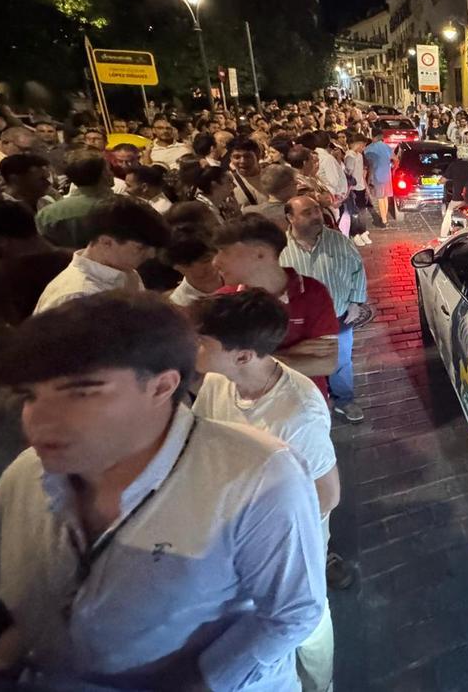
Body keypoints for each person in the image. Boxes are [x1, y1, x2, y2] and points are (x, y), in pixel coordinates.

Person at [0, 292, 326, 689]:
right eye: (30, 396)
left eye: (82, 391)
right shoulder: (21, 480)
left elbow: (294, 610)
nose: (40, 419)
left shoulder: (258, 478)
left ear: (162, 386)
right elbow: (31, 611)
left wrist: (201, 681)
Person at [191, 291, 340, 691]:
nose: (195, 348)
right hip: (231, 531)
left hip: (285, 536)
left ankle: (320, 684)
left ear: (242, 356)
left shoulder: (297, 412)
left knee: (305, 619)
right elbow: (200, 435)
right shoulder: (218, 382)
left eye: (204, 343)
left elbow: (327, 493)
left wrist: (274, 538)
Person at [211, 215, 341, 406]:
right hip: (249, 411)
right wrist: (292, 353)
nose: (215, 261)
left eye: (224, 251)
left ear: (260, 254)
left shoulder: (313, 292)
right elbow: (218, 368)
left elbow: (326, 363)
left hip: (304, 407)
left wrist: (247, 362)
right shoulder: (223, 300)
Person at [279, 196, 368, 424]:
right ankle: (310, 404)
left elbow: (358, 270)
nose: (316, 216)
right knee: (302, 362)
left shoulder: (339, 241)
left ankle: (344, 400)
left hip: (338, 315)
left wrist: (355, 302)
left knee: (341, 361)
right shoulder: (280, 248)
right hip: (297, 323)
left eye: (317, 210)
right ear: (290, 217)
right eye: (307, 213)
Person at [34, 197, 169, 313]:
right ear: (106, 242)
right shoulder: (78, 296)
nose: (151, 255)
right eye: (141, 248)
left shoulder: (126, 273)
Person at [35, 152, 115, 250]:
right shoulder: (124, 207)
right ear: (104, 175)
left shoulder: (47, 214)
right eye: (108, 170)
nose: (111, 173)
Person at [439, 147, 468, 239]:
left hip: (457, 198)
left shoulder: (454, 166)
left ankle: (443, 235)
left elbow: (443, 180)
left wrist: (439, 181)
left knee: (448, 213)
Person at [166, 232, 224, 307]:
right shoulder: (179, 304)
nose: (199, 269)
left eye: (206, 259)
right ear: (178, 268)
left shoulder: (238, 276)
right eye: (188, 266)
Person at [242, 163, 298, 230]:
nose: (297, 186)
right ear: (287, 187)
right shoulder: (296, 213)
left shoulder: (248, 213)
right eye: (295, 183)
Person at [362, 125, 397, 226]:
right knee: (385, 197)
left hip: (376, 175)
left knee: (381, 198)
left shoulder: (368, 149)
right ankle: (384, 217)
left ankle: (384, 220)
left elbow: (366, 164)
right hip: (387, 175)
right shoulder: (386, 146)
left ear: (373, 136)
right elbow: (395, 159)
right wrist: (393, 168)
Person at [228, 137, 268, 210]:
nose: (242, 161)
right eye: (237, 157)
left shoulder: (272, 174)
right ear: (231, 158)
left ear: (258, 155)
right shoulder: (228, 182)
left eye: (247, 156)